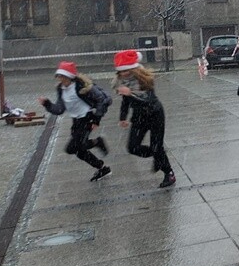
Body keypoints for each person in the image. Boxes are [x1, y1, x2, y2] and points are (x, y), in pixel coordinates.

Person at [39, 61, 112, 182]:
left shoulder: (83, 86)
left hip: (87, 118)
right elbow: (59, 109)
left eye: (62, 76)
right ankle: (102, 168)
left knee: (72, 148)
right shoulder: (61, 89)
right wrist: (47, 104)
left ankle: (98, 142)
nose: (60, 79)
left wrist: (96, 119)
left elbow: (102, 100)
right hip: (76, 121)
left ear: (70, 77)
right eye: (59, 76)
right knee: (79, 151)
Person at [113, 50, 176, 187]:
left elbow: (149, 99)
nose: (123, 74)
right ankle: (156, 157)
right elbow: (125, 101)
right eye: (121, 71)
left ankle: (169, 173)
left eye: (125, 70)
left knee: (156, 146)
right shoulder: (122, 81)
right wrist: (122, 117)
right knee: (132, 147)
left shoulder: (144, 78)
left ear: (132, 68)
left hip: (155, 114)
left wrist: (132, 93)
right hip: (139, 117)